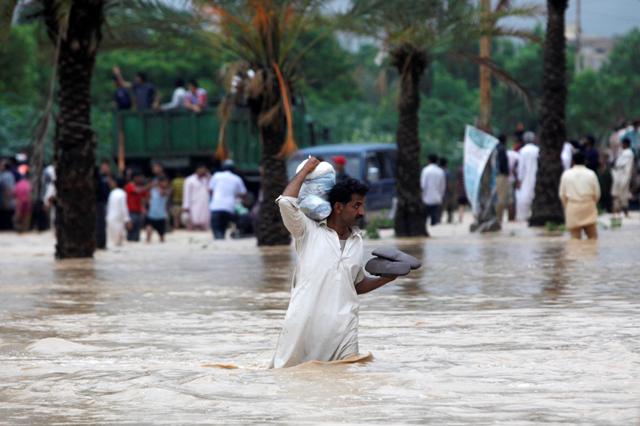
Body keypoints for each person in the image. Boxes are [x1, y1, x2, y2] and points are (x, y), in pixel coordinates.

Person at [271, 158, 397, 368]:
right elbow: (286, 202)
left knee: (348, 384)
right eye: (356, 205)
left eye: (362, 205)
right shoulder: (307, 230)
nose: (362, 212)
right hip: (304, 329)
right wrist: (305, 171)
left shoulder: (357, 240)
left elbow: (355, 285)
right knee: (294, 381)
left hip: (344, 331)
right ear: (338, 207)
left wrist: (387, 278)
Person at [559, 152, 601, 240]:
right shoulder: (591, 174)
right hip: (588, 206)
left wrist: (568, 206)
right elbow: (597, 193)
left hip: (573, 207)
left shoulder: (566, 174)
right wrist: (592, 203)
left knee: (574, 239)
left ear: (573, 161)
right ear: (585, 161)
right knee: (593, 237)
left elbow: (562, 194)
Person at [208, 160, 247, 240]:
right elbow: (243, 193)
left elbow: (209, 190)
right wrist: (235, 195)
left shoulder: (216, 175)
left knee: (217, 231)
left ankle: (219, 238)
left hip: (215, 207)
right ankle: (237, 233)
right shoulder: (237, 178)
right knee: (225, 224)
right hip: (229, 208)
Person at [515, 131, 539, 221]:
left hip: (525, 178)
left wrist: (519, 179)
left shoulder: (522, 151)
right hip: (537, 177)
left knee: (524, 198)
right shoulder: (537, 150)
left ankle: (524, 218)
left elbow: (521, 167)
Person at [610, 137, 635, 217]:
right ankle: (619, 211)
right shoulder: (623, 152)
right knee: (620, 193)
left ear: (626, 144)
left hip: (623, 175)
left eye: (623, 144)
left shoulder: (628, 153)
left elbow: (619, 164)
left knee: (621, 193)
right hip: (620, 175)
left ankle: (619, 210)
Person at [420, 154, 446, 226]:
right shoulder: (440, 171)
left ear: (428, 161)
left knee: (424, 218)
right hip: (437, 198)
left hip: (426, 198)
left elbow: (423, 185)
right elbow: (442, 186)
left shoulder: (425, 170)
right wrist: (441, 195)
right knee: (434, 219)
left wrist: (421, 195)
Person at [182, 165, 211, 230]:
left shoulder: (207, 180)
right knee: (193, 221)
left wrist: (209, 178)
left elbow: (211, 189)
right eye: (202, 170)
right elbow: (186, 193)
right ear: (197, 170)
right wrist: (186, 206)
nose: (203, 172)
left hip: (204, 203)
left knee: (204, 221)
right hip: (193, 204)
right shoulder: (189, 180)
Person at [124, 171, 148, 241]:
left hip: (138, 211)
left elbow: (144, 198)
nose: (140, 179)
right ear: (135, 178)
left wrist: (143, 208)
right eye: (139, 177)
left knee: (137, 231)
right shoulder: (129, 186)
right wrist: (148, 186)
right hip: (130, 211)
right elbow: (137, 191)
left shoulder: (140, 187)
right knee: (130, 230)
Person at [106, 178, 130, 247]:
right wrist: (127, 219)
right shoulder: (122, 194)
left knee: (111, 241)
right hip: (118, 220)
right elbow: (124, 207)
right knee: (119, 243)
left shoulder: (112, 193)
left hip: (110, 218)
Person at [145, 176, 169, 243]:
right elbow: (145, 191)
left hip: (161, 216)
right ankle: (148, 241)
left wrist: (157, 185)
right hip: (151, 214)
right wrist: (152, 185)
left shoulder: (167, 191)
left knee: (161, 236)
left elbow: (162, 193)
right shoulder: (152, 190)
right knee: (148, 230)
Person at [95, 161, 112, 249]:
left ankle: (102, 244)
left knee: (102, 224)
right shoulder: (98, 177)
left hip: (106, 203)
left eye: (107, 167)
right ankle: (99, 244)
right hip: (98, 202)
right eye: (104, 166)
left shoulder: (109, 177)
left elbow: (113, 187)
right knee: (99, 224)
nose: (105, 168)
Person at [495, 134, 510, 224]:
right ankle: (499, 218)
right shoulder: (502, 149)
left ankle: (499, 218)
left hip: (498, 176)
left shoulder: (497, 149)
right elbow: (502, 164)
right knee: (501, 198)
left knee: (500, 198)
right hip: (501, 176)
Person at [0, 160, 16, 230]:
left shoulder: (6, 175)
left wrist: (6, 198)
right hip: (7, 198)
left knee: (6, 214)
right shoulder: (9, 175)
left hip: (6, 198)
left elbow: (8, 188)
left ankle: (7, 227)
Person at [438, 157, 455, 223]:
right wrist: (451, 191)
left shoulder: (438, 171)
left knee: (440, 207)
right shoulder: (447, 172)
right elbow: (449, 183)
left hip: (438, 192)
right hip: (446, 191)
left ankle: (438, 219)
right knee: (449, 206)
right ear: (446, 164)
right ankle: (449, 219)